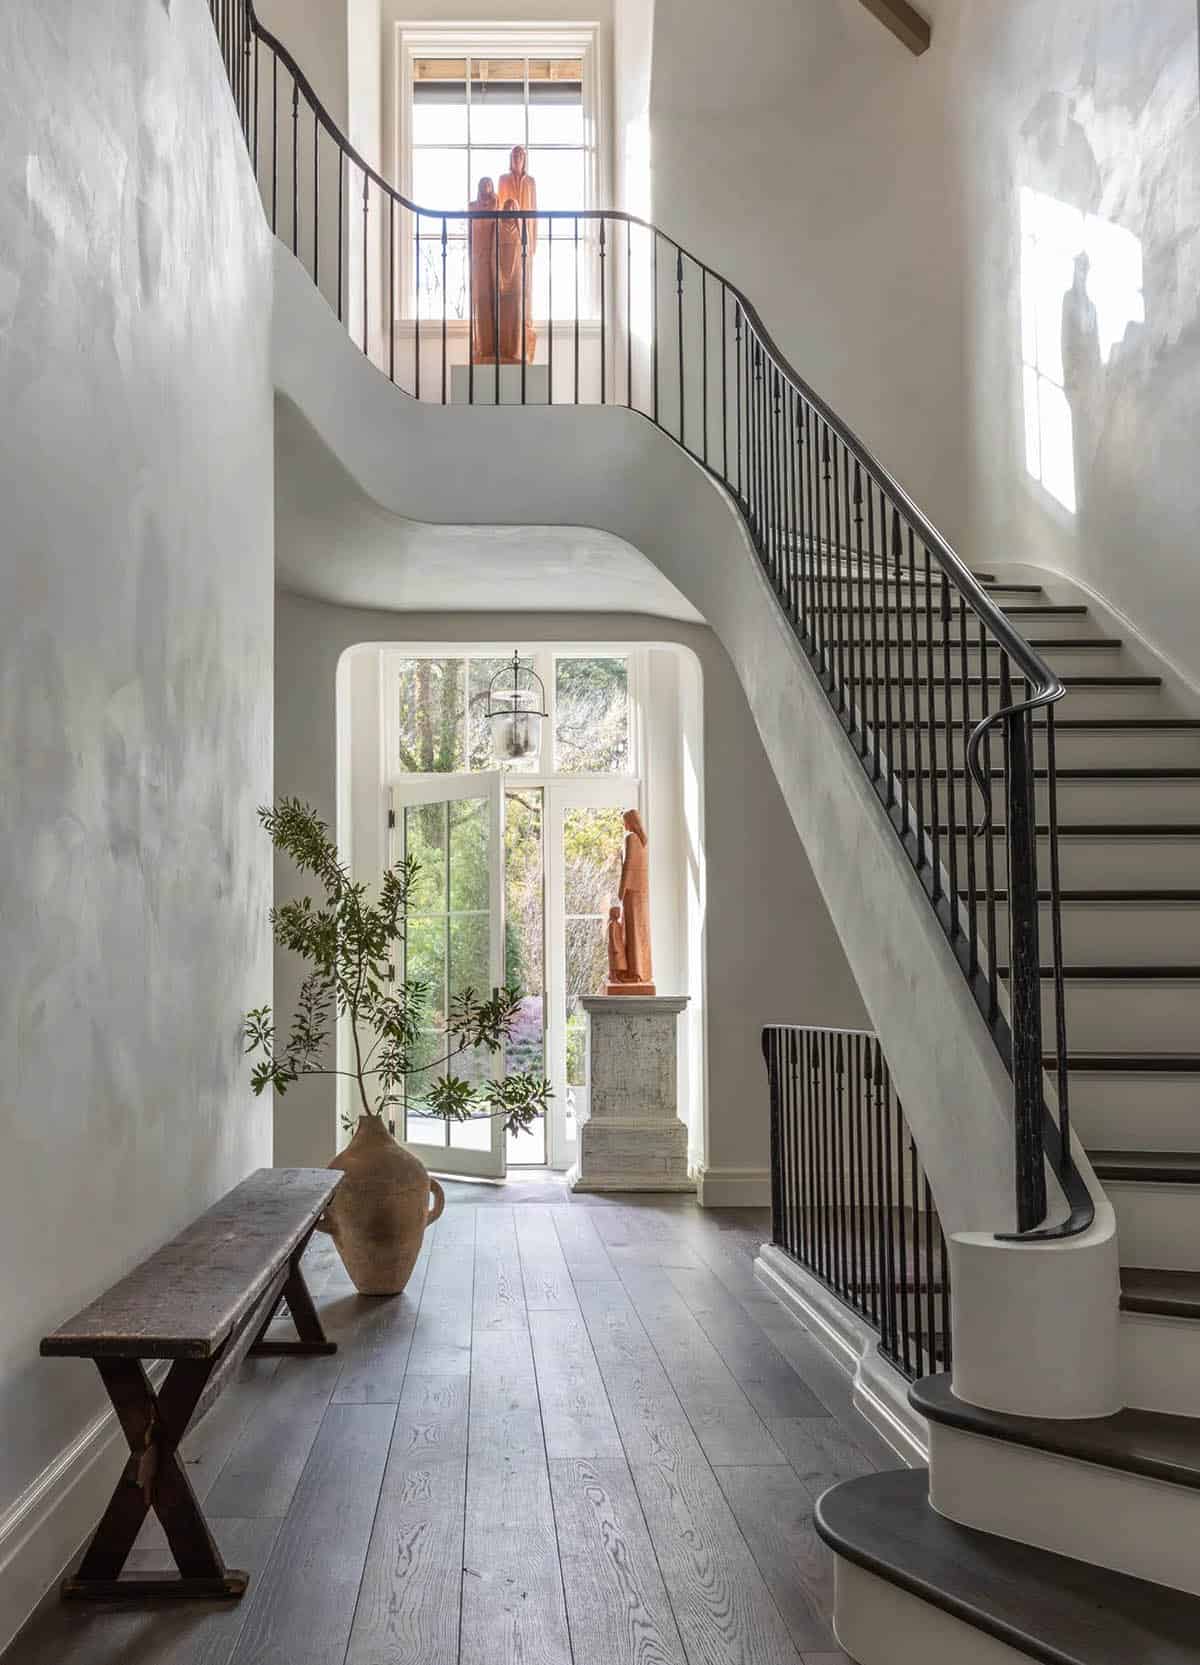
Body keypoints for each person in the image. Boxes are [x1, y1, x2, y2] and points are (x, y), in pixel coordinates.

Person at [496, 145, 537, 361]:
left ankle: (522, 347)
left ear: (525, 158)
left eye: (521, 154)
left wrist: (532, 244)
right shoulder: (503, 180)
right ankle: (504, 345)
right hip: (505, 239)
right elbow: (499, 207)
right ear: (510, 158)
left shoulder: (530, 182)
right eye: (514, 154)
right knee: (505, 295)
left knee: (525, 296)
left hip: (525, 240)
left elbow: (535, 213)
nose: (518, 157)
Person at [467, 177, 498, 363]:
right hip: (478, 256)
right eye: (483, 184)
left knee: (494, 299)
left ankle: (496, 346)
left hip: (494, 255)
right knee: (481, 299)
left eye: (489, 184)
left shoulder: (496, 205)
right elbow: (470, 234)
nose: (486, 187)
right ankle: (482, 345)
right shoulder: (472, 207)